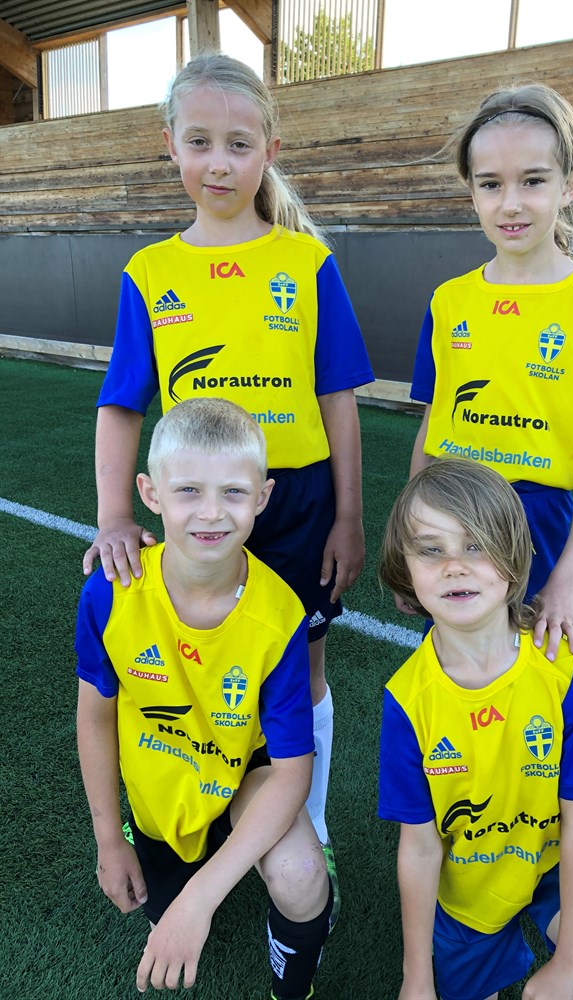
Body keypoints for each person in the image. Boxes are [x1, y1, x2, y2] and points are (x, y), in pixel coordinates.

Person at [81, 53, 374, 893]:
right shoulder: (151, 272)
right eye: (200, 141)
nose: (219, 162)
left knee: (303, 668)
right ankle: (208, 805)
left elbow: (338, 399)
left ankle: (307, 823)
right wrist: (113, 514)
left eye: (239, 145)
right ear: (169, 144)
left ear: (269, 151)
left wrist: (348, 516)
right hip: (199, 508)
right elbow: (121, 404)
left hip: (296, 501)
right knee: (198, 662)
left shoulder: (306, 264)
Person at [76, 398, 333, 998]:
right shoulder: (111, 594)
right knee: (159, 914)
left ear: (263, 498)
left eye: (234, 493)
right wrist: (109, 841)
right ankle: (169, 850)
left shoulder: (280, 615)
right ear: (150, 493)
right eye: (188, 490)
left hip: (245, 773)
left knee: (299, 874)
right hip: (163, 788)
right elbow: (95, 720)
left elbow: (293, 770)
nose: (212, 513)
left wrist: (202, 899)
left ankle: (293, 987)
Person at [378, 460, 573, 1000]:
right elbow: (419, 847)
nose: (454, 567)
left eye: (476, 545)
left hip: (555, 866)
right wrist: (416, 979)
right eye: (431, 549)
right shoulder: (407, 700)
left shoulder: (563, 667)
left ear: (516, 555)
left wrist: (570, 964)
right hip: (468, 891)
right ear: (404, 568)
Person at [407, 84, 573, 661]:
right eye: (491, 184)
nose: (510, 203)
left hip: (535, 524)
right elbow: (432, 426)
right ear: (471, 190)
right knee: (454, 673)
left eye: (533, 180)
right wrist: (416, 534)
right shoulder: (448, 301)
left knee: (533, 680)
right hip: (450, 514)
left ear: (570, 184)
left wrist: (566, 582)